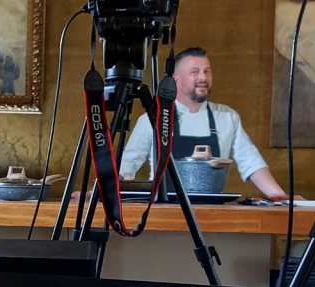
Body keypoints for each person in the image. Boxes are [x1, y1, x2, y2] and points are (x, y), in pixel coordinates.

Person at [119, 47, 288, 201]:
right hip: (165, 212)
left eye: (207, 71)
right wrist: (110, 195)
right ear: (176, 80)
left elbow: (252, 163)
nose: (203, 77)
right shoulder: (154, 117)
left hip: (211, 213)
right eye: (195, 72)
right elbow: (127, 166)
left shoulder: (227, 117)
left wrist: (280, 197)